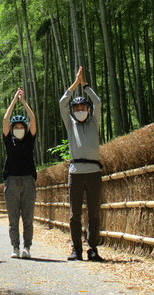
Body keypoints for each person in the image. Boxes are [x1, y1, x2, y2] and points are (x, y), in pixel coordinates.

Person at [59, 66, 104, 262]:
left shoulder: (94, 122)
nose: (80, 111)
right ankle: (76, 249)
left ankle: (92, 248)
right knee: (74, 214)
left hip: (94, 171)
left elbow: (98, 101)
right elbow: (62, 103)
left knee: (94, 213)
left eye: (83, 108)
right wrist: (74, 85)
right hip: (75, 172)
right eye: (77, 109)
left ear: (88, 110)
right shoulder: (71, 124)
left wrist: (84, 85)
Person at [2, 88, 37, 259]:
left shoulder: (30, 141)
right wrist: (14, 100)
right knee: (13, 219)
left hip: (29, 181)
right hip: (11, 181)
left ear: (25, 128)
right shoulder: (9, 142)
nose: (18, 129)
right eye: (15, 127)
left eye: (21, 127)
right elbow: (5, 119)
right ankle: (15, 247)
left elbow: (33, 119)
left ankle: (27, 248)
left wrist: (24, 102)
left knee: (28, 218)